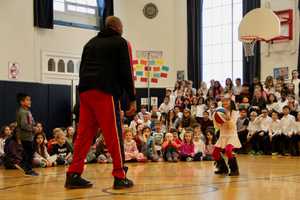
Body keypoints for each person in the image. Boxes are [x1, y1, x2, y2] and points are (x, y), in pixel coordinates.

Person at [65, 16, 136, 189]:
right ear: (118, 27)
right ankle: (120, 176)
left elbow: (82, 69)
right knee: (114, 135)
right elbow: (127, 71)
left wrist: (83, 92)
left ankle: (73, 174)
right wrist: (132, 98)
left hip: (85, 92)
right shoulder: (121, 42)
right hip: (105, 92)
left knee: (84, 136)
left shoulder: (89, 43)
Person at [212, 94, 241, 176]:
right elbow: (217, 126)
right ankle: (223, 168)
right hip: (222, 135)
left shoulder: (235, 112)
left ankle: (234, 170)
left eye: (227, 100)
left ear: (230, 102)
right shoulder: (219, 111)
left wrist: (228, 118)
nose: (225, 102)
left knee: (228, 151)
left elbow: (231, 126)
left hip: (232, 135)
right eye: (223, 100)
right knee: (215, 153)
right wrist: (215, 117)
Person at [15, 93, 39, 176]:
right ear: (22, 102)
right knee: (30, 152)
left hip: (29, 135)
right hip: (26, 136)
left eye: (30, 100)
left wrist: (35, 126)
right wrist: (33, 129)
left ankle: (22, 164)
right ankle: (28, 170)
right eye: (27, 100)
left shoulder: (27, 111)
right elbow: (24, 125)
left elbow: (30, 121)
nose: (30, 101)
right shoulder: (23, 112)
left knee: (29, 152)